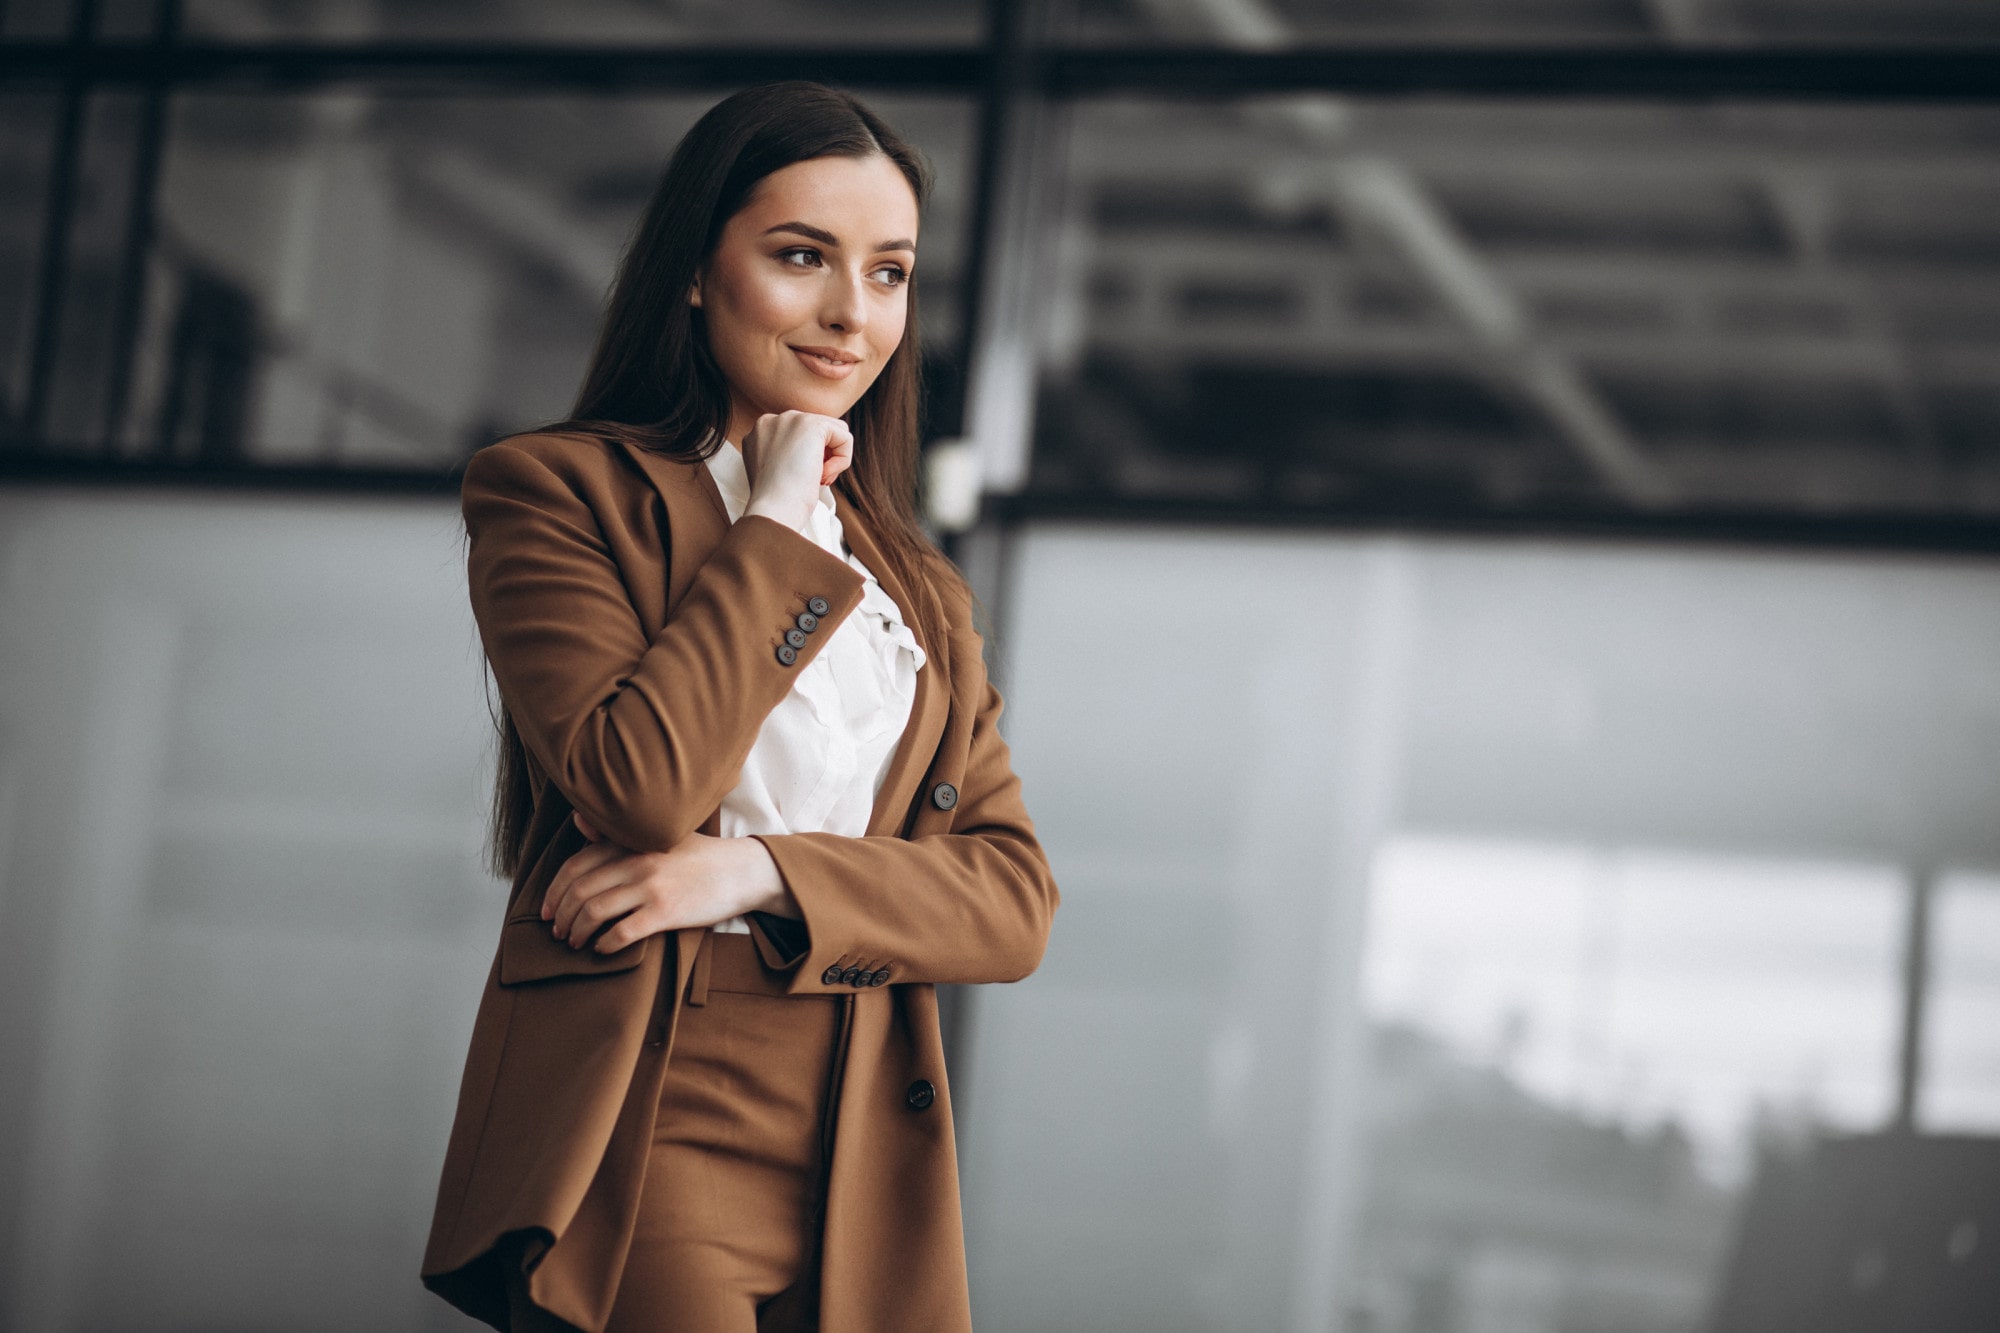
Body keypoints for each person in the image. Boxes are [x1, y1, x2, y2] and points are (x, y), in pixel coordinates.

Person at [419, 81, 1059, 1333]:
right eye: (800, 257)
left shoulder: (914, 588)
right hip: (651, 1119)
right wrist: (773, 517)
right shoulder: (557, 492)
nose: (849, 313)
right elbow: (639, 781)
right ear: (696, 273)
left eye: (888, 273)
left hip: (866, 1136)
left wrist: (752, 874)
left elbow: (1011, 902)